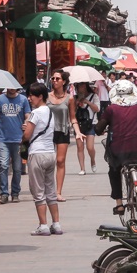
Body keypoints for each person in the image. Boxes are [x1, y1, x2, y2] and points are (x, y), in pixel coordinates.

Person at [95, 80, 137, 216]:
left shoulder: (111, 109)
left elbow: (98, 128)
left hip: (118, 151)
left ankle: (119, 205)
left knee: (114, 171)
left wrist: (101, 129)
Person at [25, 82, 62, 236]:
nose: (29, 98)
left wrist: (24, 130)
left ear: (40, 96)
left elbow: (27, 135)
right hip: (50, 153)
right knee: (51, 191)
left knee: (38, 192)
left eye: (32, 95)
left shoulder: (36, 113)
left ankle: (43, 225)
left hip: (37, 153)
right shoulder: (50, 112)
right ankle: (56, 224)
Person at [0, 86, 31, 204]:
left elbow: (28, 116)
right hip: (3, 139)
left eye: (14, 87)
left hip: (19, 140)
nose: (12, 89)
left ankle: (15, 192)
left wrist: (26, 124)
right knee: (3, 166)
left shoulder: (23, 100)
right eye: (9, 87)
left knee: (17, 169)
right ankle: (4, 193)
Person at [48, 69, 82, 202]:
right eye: (53, 78)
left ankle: (58, 192)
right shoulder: (47, 97)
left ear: (64, 82)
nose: (54, 81)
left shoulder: (70, 98)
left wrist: (78, 132)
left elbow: (73, 118)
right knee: (48, 162)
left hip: (62, 131)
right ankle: (48, 190)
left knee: (60, 161)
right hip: (48, 132)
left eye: (57, 79)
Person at [73, 81, 99, 175]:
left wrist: (87, 101)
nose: (81, 87)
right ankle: (82, 168)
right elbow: (71, 112)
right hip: (78, 125)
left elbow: (97, 109)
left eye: (83, 85)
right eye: (79, 85)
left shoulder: (94, 96)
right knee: (80, 147)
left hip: (90, 124)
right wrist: (76, 102)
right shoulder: (75, 97)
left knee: (90, 147)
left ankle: (93, 160)